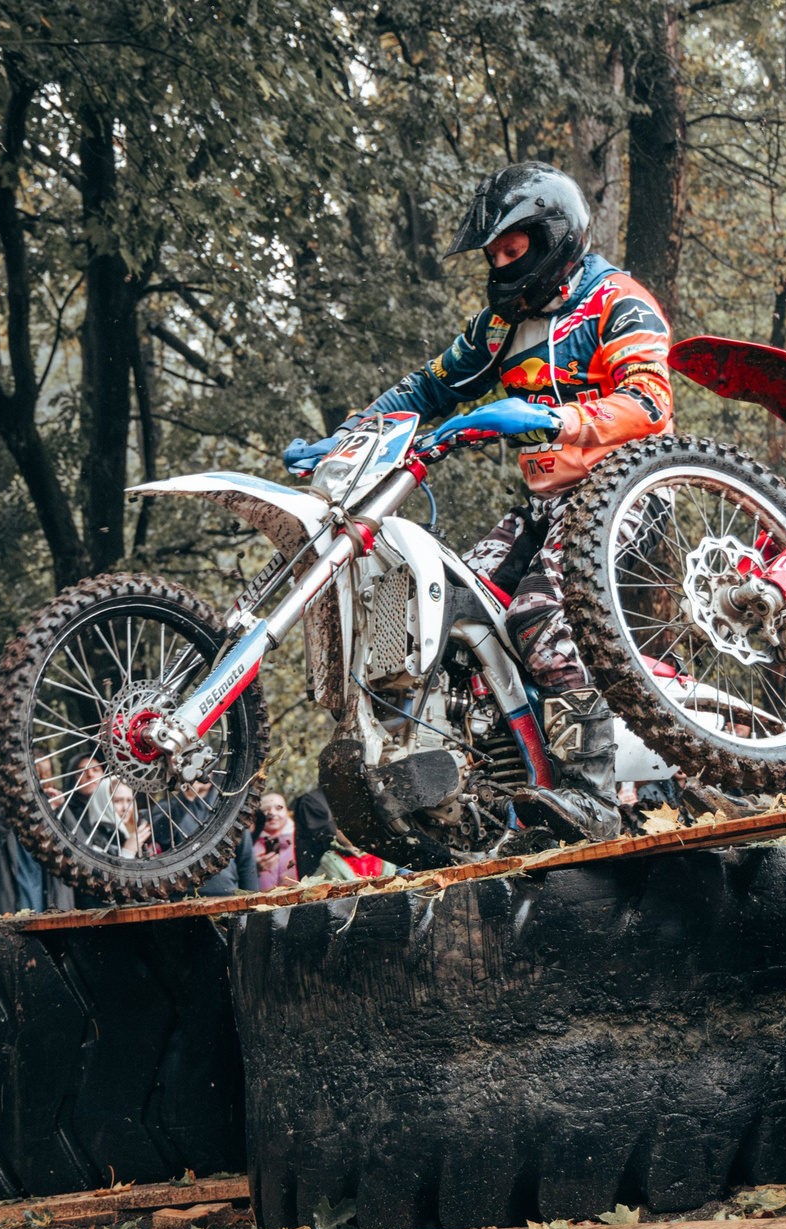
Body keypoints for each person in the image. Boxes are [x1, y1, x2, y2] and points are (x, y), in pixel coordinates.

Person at [282, 163, 673, 836]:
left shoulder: (619, 301)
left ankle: (595, 794)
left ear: (551, 237)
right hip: (549, 504)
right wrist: (344, 438)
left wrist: (552, 420)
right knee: (453, 608)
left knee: (541, 613)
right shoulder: (502, 325)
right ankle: (487, 786)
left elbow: (649, 402)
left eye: (511, 251)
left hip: (625, 489)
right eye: (493, 254)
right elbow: (425, 389)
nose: (499, 265)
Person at [250, 793, 297, 892]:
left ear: (287, 812)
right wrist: (254, 868)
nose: (272, 813)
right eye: (265, 810)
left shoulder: (300, 840)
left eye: (279, 808)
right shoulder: (251, 845)